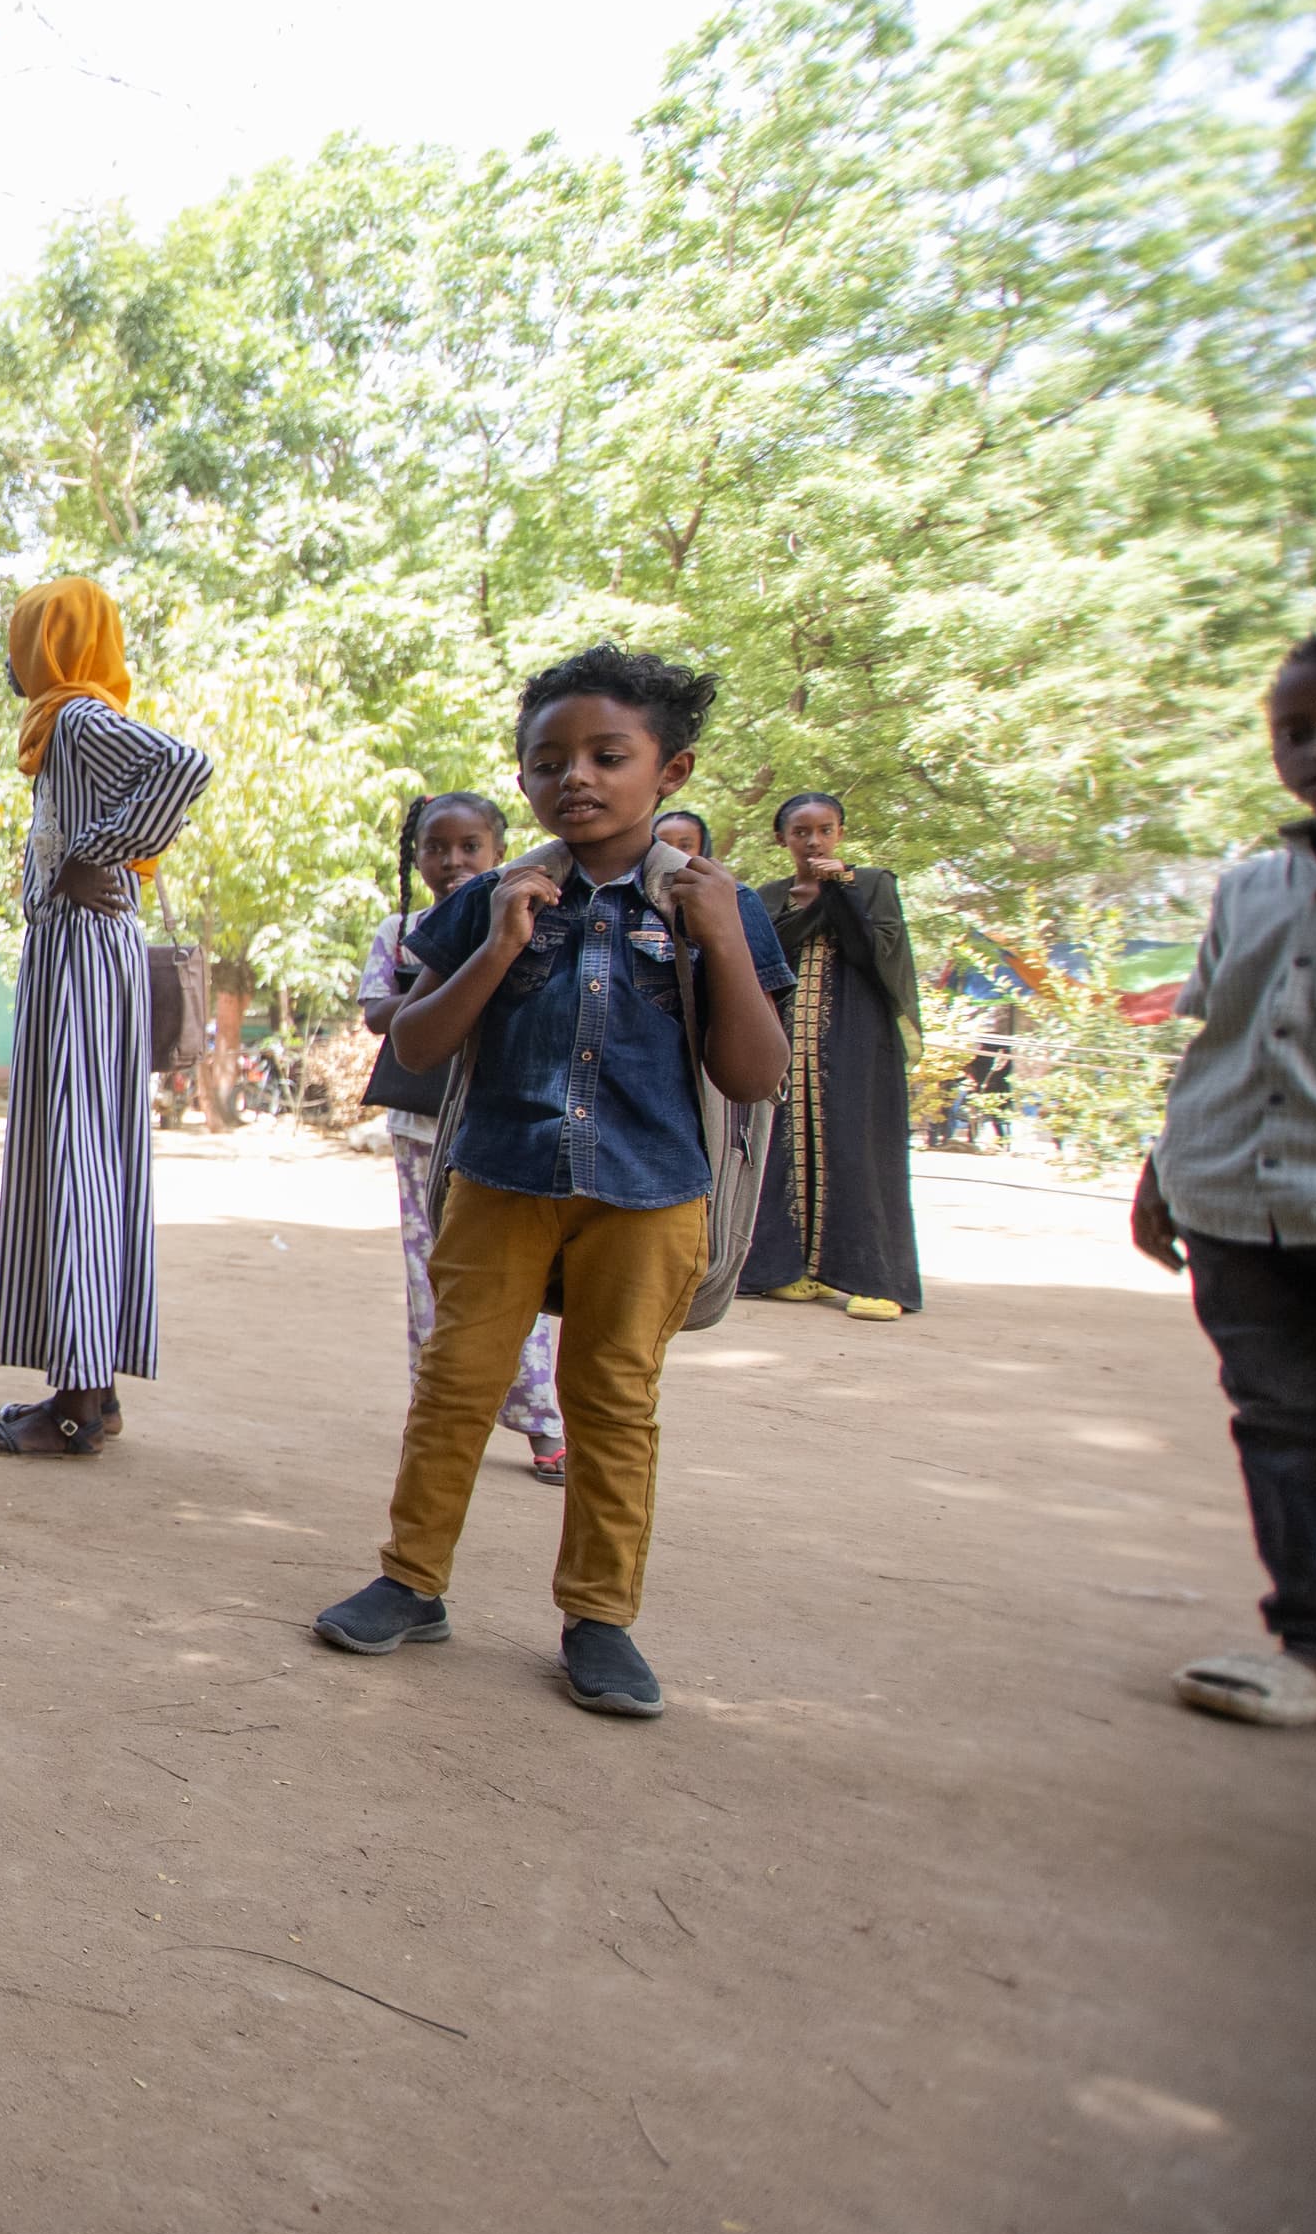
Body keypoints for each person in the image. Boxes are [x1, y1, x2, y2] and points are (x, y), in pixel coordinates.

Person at [308, 646, 791, 1719]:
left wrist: (718, 941)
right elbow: (419, 1047)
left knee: (614, 1402)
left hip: (650, 1190)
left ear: (671, 770)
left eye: (607, 755)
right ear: (522, 777)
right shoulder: (489, 896)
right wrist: (495, 949)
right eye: (548, 759)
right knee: (456, 1384)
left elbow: (754, 1075)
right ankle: (411, 1579)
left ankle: (599, 1620)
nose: (575, 777)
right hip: (502, 1176)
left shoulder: (719, 905)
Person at [0, 577, 215, 1458]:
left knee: (75, 1157)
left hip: (82, 953)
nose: (10, 658)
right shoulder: (65, 724)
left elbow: (185, 765)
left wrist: (95, 851)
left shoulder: (73, 718)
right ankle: (91, 1390)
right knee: (91, 1156)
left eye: (20, 637)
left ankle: (72, 1405)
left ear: (50, 643)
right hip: (86, 950)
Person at [1131, 633, 1316, 1729]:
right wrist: (1164, 1166)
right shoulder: (1252, 888)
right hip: (1233, 1193)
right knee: (1278, 1415)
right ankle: (1303, 1638)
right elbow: (1220, 1041)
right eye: (1292, 730)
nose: (1307, 750)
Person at [358, 791, 568, 1483]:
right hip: (421, 1127)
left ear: (498, 850)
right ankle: (440, 1420)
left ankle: (541, 1422)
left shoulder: (531, 914)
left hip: (501, 1122)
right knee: (431, 1277)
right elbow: (378, 1015)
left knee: (517, 1277)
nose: (452, 862)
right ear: (415, 857)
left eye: (468, 847)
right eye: (435, 848)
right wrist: (443, 988)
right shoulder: (402, 930)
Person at [741, 792, 924, 1319]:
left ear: (840, 832)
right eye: (801, 832)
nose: (813, 841)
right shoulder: (768, 897)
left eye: (824, 830)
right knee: (785, 1144)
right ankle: (795, 1268)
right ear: (782, 839)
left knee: (858, 1142)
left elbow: (878, 953)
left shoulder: (872, 885)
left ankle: (876, 1278)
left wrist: (840, 892)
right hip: (785, 1041)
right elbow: (763, 957)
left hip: (858, 1039)